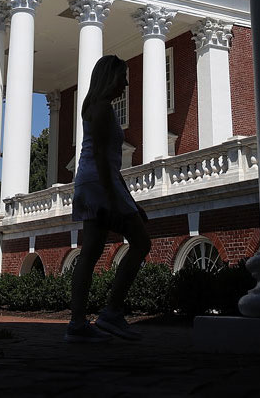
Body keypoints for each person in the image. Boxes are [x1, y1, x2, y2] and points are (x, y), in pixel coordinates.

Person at [66, 55, 152, 343]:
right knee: (141, 242)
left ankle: (77, 323)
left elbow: (109, 162)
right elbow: (104, 159)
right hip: (100, 183)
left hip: (92, 182)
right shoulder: (101, 108)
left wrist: (129, 199)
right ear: (109, 78)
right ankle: (112, 312)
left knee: (89, 254)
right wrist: (114, 200)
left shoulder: (94, 107)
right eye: (122, 77)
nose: (125, 83)